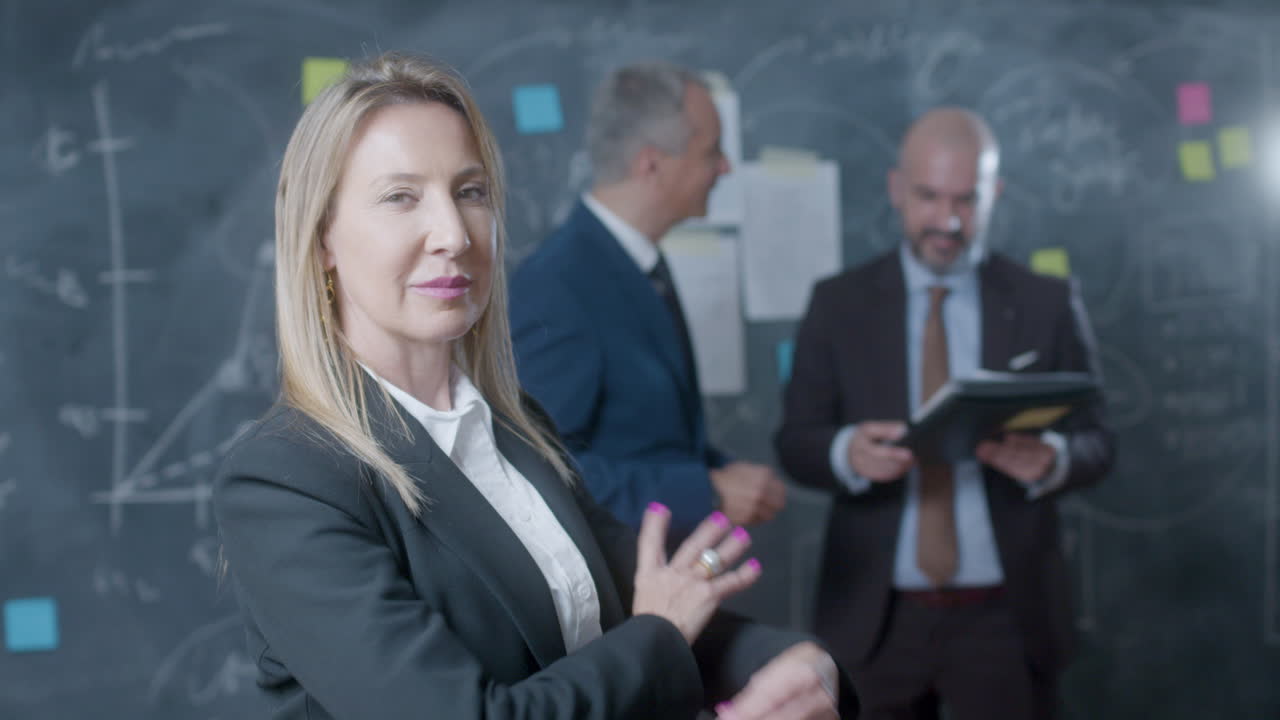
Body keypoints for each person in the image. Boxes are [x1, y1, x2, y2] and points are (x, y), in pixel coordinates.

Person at [213, 52, 853, 720]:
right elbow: (643, 637)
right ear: (322, 241)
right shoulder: (285, 482)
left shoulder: (521, 429)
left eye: (470, 191)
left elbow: (651, 604)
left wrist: (801, 666)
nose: (454, 235)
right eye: (401, 197)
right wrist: (660, 635)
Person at [774, 108, 1114, 719]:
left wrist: (1053, 460)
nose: (949, 221)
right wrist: (843, 452)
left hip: (1009, 617)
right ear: (897, 189)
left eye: (967, 200)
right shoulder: (837, 304)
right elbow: (795, 442)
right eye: (929, 197)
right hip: (876, 622)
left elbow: (1099, 440)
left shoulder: (1046, 300)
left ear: (993, 194)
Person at [510, 62, 786, 539]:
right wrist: (708, 492)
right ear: (652, 165)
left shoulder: (639, 263)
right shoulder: (557, 282)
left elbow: (651, 440)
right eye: (711, 151)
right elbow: (540, 470)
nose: (725, 168)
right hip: (617, 597)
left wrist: (721, 474)